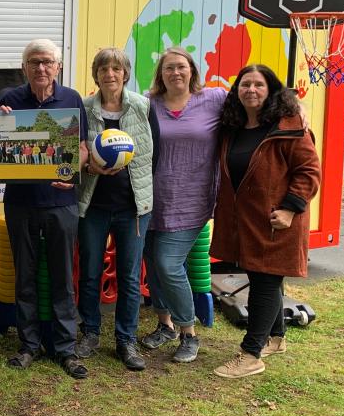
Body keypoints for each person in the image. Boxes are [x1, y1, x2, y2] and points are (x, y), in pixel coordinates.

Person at [211, 65, 320, 379]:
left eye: (259, 85)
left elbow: (309, 172)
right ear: (237, 91)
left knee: (265, 282)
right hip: (249, 221)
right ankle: (277, 337)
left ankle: (251, 354)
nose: (251, 90)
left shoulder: (289, 125)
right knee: (262, 278)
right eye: (245, 85)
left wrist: (289, 209)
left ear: (271, 91)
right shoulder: (233, 127)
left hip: (278, 221)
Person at [0, 39, 89, 379]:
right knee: (25, 275)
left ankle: (65, 349)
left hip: (61, 203)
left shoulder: (71, 100)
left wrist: (73, 172)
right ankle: (29, 345)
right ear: (24, 67)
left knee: (63, 277)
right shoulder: (8, 100)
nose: (41, 68)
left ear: (58, 66)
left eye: (47, 62)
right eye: (34, 62)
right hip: (20, 202)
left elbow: (81, 148)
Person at [140, 47, 227, 363]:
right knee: (153, 264)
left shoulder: (214, 99)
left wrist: (293, 107)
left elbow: (255, 107)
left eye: (181, 67)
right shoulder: (148, 104)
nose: (175, 73)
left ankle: (188, 332)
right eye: (168, 69)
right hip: (150, 199)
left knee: (168, 263)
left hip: (192, 200)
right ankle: (165, 326)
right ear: (160, 75)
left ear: (191, 70)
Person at [76, 48, 159, 371]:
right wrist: (88, 169)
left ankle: (126, 339)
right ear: (95, 75)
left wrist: (141, 193)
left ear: (125, 73)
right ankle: (91, 332)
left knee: (128, 274)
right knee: (91, 272)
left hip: (132, 207)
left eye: (116, 68)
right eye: (103, 69)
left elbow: (156, 153)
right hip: (93, 205)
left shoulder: (142, 106)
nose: (110, 74)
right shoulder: (83, 108)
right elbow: (73, 153)